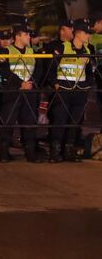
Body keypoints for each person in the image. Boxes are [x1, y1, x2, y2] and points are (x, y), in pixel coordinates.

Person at [47, 19, 95, 163]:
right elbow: (51, 68)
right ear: (79, 33)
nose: (89, 36)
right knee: (60, 121)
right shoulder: (63, 48)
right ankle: (55, 152)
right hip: (64, 90)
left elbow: (90, 71)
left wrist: (87, 84)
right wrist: (55, 84)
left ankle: (69, 150)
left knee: (74, 122)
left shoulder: (88, 50)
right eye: (87, 33)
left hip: (80, 91)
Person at [0, 24, 43, 162]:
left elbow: (38, 69)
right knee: (8, 122)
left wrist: (31, 83)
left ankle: (30, 152)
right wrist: (20, 83)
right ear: (18, 36)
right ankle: (4, 153)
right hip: (12, 91)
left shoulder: (32, 51)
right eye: (26, 35)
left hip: (29, 92)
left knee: (29, 122)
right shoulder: (6, 51)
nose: (29, 37)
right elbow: (5, 71)